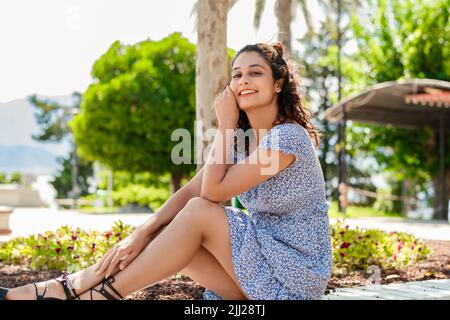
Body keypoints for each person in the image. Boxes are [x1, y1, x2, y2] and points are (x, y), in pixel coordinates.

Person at [0, 42, 332, 300]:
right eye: (236, 74)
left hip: (293, 275)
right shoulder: (243, 143)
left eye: (255, 73)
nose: (243, 80)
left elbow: (212, 196)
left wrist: (227, 123)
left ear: (278, 84)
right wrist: (139, 234)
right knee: (167, 230)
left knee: (199, 213)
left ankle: (86, 294)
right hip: (260, 271)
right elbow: (191, 190)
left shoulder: (287, 138)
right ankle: (77, 287)